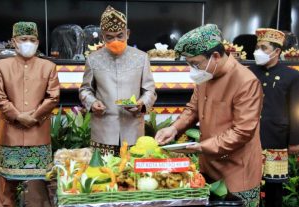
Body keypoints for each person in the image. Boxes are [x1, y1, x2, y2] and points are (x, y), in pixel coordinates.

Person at [155, 24, 263, 207]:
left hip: (236, 172)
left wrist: (200, 147)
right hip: (208, 167)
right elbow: (192, 110)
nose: (192, 70)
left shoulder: (246, 82)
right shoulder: (206, 75)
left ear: (215, 56)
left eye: (195, 64)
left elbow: (242, 132)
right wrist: (174, 129)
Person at [0, 21, 60, 207]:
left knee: (37, 186)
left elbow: (53, 97)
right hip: (10, 136)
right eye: (23, 39)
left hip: (38, 134)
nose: (28, 43)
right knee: (6, 186)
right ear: (14, 41)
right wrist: (18, 116)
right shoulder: (0, 66)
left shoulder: (48, 66)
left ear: (38, 42)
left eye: (32, 40)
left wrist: (34, 116)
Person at [79, 6, 156, 156]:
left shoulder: (141, 58)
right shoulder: (93, 59)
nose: (115, 41)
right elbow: (85, 90)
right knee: (104, 174)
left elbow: (150, 91)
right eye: (109, 37)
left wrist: (141, 104)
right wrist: (92, 103)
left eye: (120, 36)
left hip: (133, 129)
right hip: (103, 131)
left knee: (131, 175)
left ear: (127, 33)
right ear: (102, 36)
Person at [250, 28, 299, 207]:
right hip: (250, 137)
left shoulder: (292, 75)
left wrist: (294, 141)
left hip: (276, 138)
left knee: (273, 188)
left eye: (263, 48)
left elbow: (295, 109)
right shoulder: (249, 72)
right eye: (257, 47)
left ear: (277, 51)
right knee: (248, 184)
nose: (258, 52)